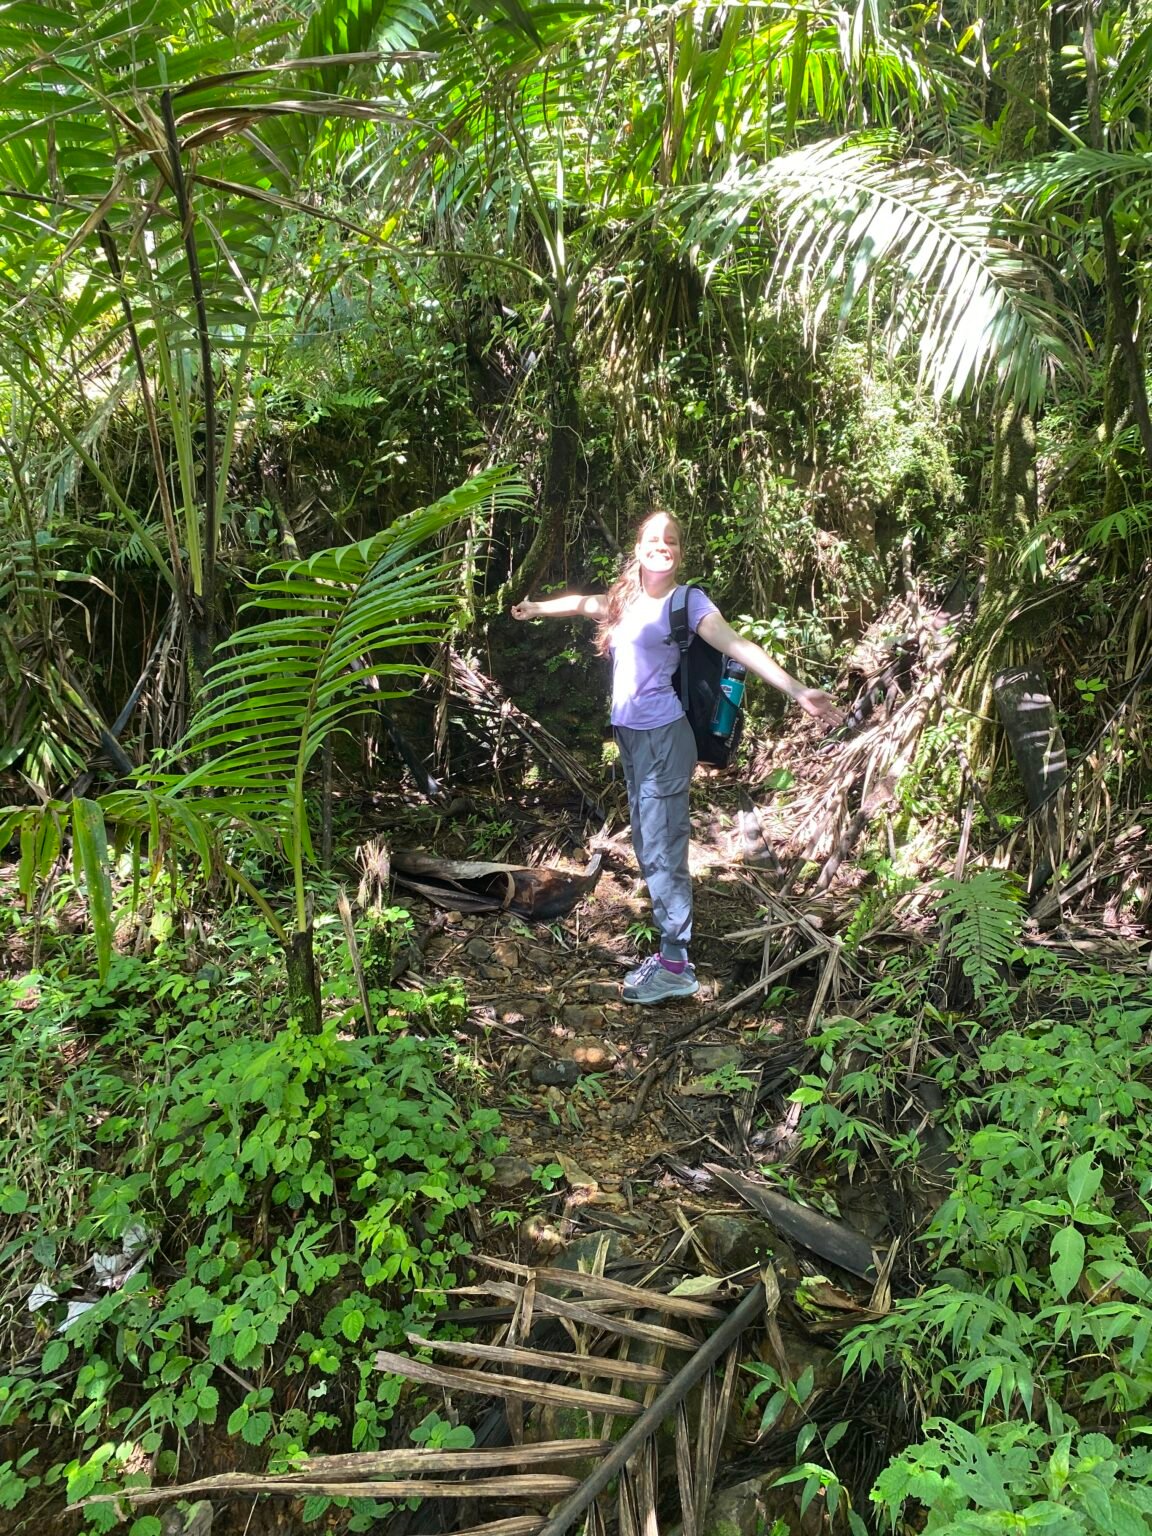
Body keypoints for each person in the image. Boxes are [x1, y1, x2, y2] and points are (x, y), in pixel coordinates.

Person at [511, 511, 839, 1005]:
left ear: (680, 553)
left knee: (663, 845)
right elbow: (584, 603)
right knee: (646, 838)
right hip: (631, 736)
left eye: (671, 541)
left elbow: (738, 645)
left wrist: (796, 690)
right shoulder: (626, 599)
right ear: (637, 546)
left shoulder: (690, 602)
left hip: (666, 735)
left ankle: (676, 963)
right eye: (652, 538)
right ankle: (669, 953)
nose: (661, 546)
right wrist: (538, 607)